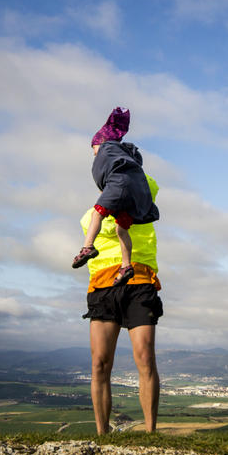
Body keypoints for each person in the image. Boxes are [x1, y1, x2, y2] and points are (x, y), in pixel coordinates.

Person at [79, 173, 163, 435]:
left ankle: (151, 433)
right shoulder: (93, 212)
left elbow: (145, 186)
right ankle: (102, 435)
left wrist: (121, 162)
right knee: (100, 363)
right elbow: (100, 223)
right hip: (103, 284)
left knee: (145, 356)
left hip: (139, 280)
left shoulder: (143, 198)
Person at [72, 107, 160, 287]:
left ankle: (87, 247)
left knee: (98, 213)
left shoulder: (107, 148)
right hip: (135, 196)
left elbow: (101, 173)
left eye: (93, 148)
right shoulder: (126, 157)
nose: (94, 152)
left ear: (101, 142)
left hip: (119, 187)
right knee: (122, 229)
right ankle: (126, 266)